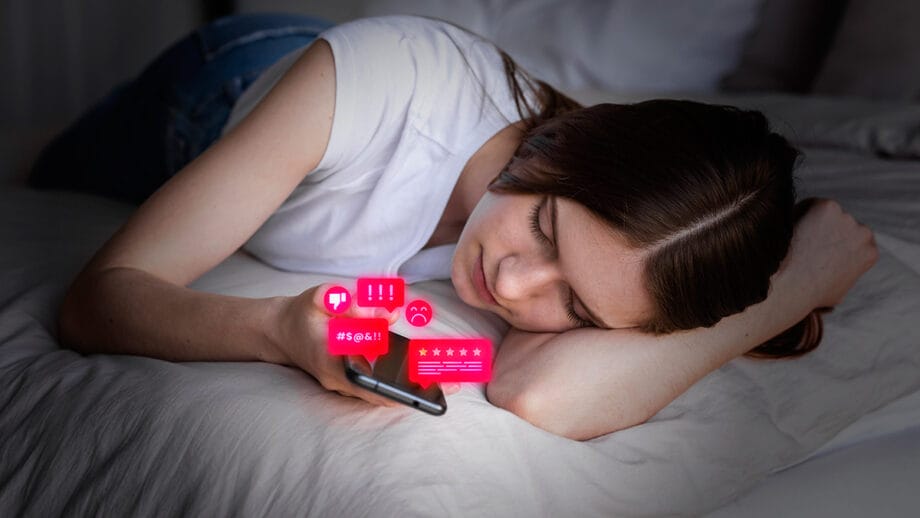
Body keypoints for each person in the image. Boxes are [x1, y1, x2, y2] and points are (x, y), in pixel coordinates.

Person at [34, 14, 877, 441]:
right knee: (48, 172)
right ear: (560, 148)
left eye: (577, 310)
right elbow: (96, 302)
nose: (510, 287)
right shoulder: (379, 85)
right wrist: (280, 328)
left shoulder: (623, 255)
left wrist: (783, 295)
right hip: (216, 90)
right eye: (544, 228)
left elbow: (537, 394)